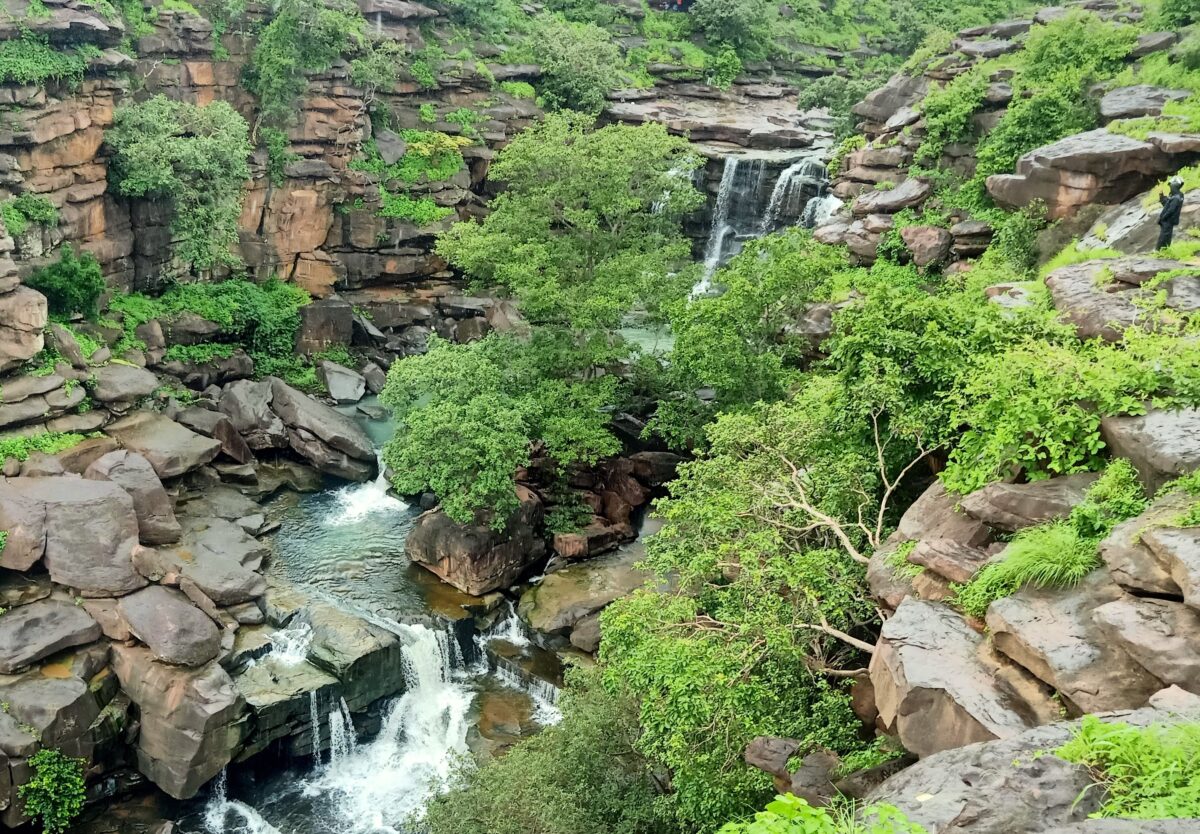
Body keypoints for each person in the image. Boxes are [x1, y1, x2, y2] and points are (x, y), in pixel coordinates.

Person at [1158, 177, 1185, 251]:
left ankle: (1160, 251)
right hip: (1169, 220)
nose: (1170, 187)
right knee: (1165, 236)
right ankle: (1162, 251)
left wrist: (1163, 217)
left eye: (1171, 186)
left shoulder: (1176, 197)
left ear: (1174, 185)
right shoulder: (1177, 195)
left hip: (1168, 220)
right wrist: (1161, 195)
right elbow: (1167, 204)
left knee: (1164, 236)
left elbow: (1171, 209)